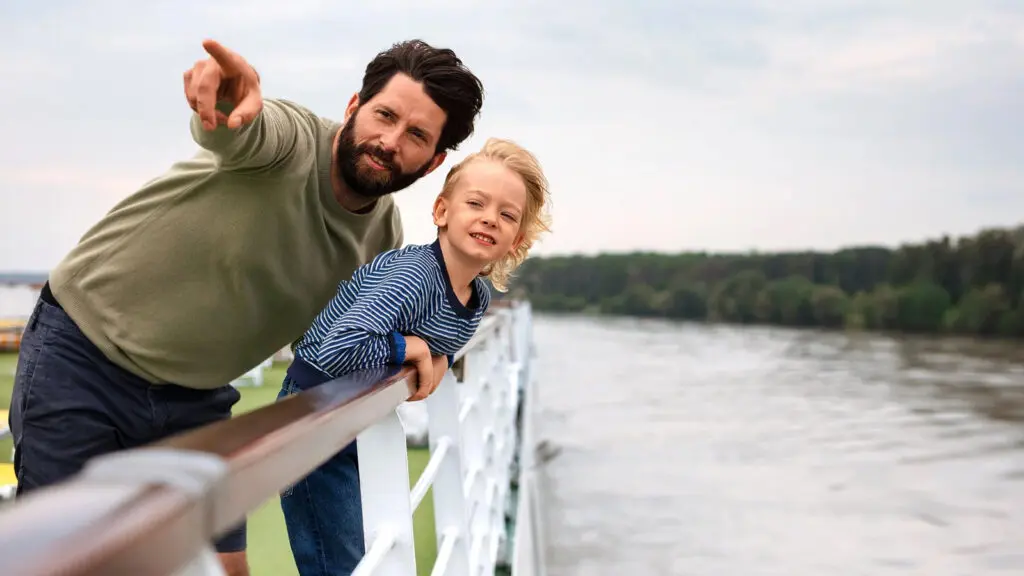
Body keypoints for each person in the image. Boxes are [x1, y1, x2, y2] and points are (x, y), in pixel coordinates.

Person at [7, 38, 484, 576]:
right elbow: (242, 131)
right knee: (66, 558)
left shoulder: (381, 240)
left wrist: (425, 348)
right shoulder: (291, 141)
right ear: (354, 106)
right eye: (385, 115)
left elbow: (346, 337)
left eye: (416, 135)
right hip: (83, 354)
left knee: (227, 568)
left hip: (195, 395)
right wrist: (228, 103)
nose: (390, 141)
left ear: (433, 162)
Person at [277, 137, 552, 576]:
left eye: (507, 215)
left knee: (375, 550)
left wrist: (441, 356)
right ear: (442, 211)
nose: (489, 218)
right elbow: (336, 349)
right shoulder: (414, 276)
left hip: (359, 417)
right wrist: (412, 348)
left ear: (516, 241)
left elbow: (446, 338)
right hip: (313, 414)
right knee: (340, 564)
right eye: (476, 203)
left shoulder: (477, 297)